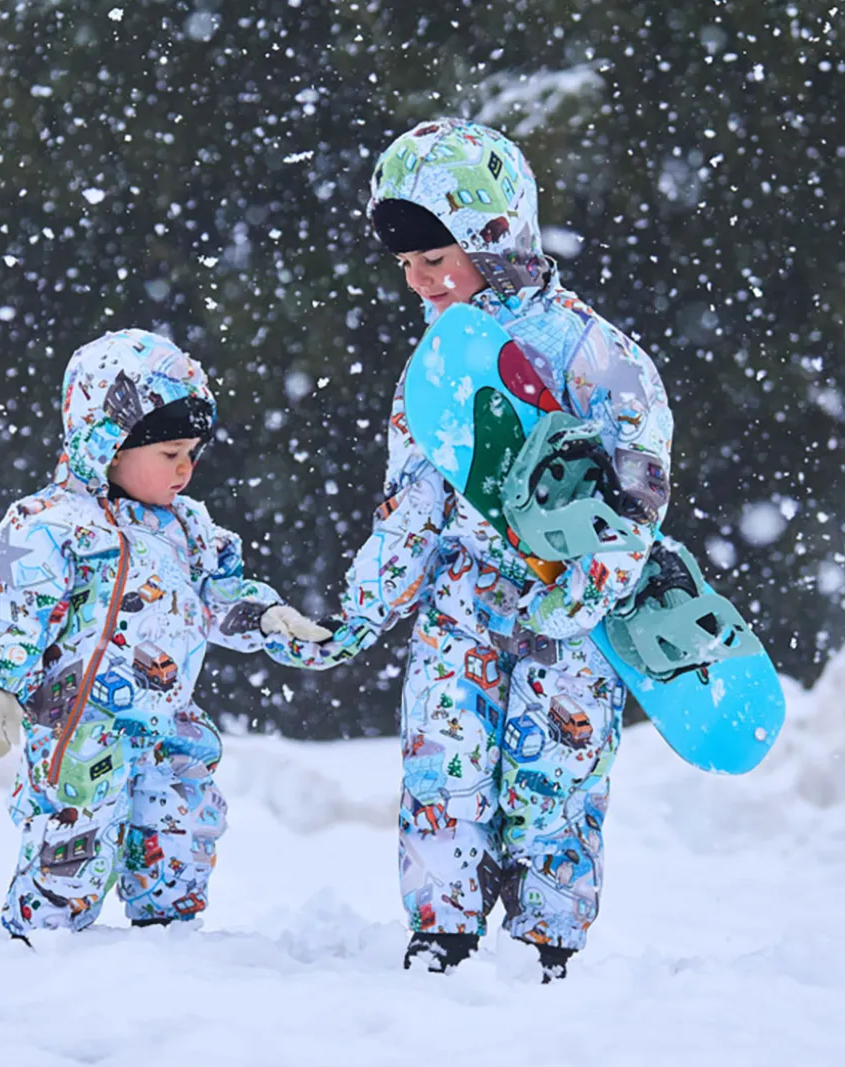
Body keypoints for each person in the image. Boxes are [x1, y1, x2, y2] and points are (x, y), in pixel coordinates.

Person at [329, 118, 673, 979]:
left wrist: (598, 576)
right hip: (461, 599)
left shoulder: (587, 347)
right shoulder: (434, 359)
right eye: (404, 264)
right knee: (442, 759)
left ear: (494, 239)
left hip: (569, 606)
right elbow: (414, 492)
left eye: (434, 257)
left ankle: (546, 939)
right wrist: (373, 593)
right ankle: (441, 930)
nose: (419, 280)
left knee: (554, 768)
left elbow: (641, 474)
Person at [0, 328, 332, 940]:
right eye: (169, 453)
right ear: (108, 446)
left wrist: (269, 618)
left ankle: (166, 940)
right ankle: (43, 943)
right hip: (82, 724)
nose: (186, 468)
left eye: (193, 452)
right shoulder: (51, 524)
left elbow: (217, 596)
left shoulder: (187, 527)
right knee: (72, 840)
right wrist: (0, 689)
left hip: (170, 718)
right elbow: (16, 609)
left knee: (181, 827)